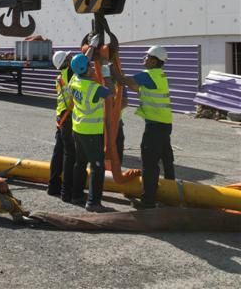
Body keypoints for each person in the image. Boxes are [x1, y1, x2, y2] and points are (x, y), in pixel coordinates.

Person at [111, 45, 175, 209]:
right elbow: (135, 86)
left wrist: (109, 64)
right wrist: (123, 77)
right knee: (166, 157)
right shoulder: (159, 75)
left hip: (155, 126)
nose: (144, 59)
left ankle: (148, 200)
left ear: (154, 61)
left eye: (146, 57)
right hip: (164, 124)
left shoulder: (149, 74)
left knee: (149, 162)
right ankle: (171, 194)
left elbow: (123, 81)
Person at [69, 41, 114, 213]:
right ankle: (93, 202)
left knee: (80, 163)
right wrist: (106, 71)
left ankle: (77, 194)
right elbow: (111, 91)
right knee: (97, 166)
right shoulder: (94, 88)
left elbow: (80, 64)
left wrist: (92, 47)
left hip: (78, 129)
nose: (92, 67)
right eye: (90, 66)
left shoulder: (75, 80)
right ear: (87, 70)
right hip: (91, 133)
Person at [47, 50, 76, 202]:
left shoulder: (61, 76)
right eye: (69, 57)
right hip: (68, 118)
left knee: (58, 153)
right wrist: (92, 46)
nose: (72, 58)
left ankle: (53, 187)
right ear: (65, 61)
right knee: (70, 154)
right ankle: (67, 192)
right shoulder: (70, 72)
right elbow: (83, 61)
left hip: (61, 117)